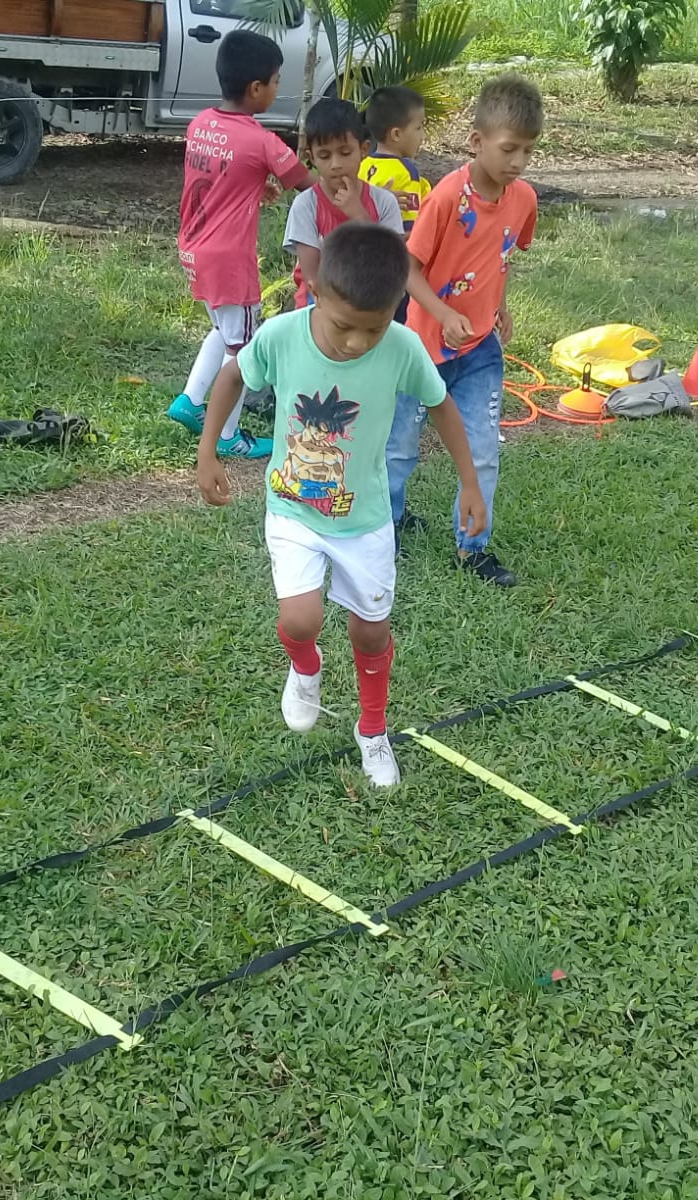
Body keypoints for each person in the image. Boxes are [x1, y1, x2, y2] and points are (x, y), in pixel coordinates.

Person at [196, 223, 486, 787]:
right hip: (293, 511)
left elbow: (442, 405)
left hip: (365, 521)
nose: (356, 343)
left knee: (371, 633)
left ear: (395, 310)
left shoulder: (402, 348)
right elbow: (232, 377)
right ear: (314, 290)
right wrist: (209, 450)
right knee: (299, 620)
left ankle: (372, 729)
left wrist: (469, 482)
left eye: (373, 329)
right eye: (343, 326)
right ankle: (306, 667)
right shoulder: (281, 336)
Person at [386, 75, 542, 588]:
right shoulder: (448, 198)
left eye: (528, 150)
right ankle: (387, 524)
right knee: (400, 447)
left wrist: (501, 305)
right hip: (423, 350)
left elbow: (502, 255)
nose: (518, 161)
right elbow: (408, 270)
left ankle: (471, 548)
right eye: (509, 148)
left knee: (482, 452)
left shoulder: (524, 199)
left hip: (480, 350)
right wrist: (443, 314)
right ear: (477, 141)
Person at [169, 30, 311, 459]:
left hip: (194, 248)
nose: (278, 88)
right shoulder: (262, 141)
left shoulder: (200, 124)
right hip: (230, 259)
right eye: (276, 81)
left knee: (223, 329)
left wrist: (254, 185)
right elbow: (308, 185)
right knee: (244, 349)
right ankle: (228, 434)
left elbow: (220, 172)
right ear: (255, 88)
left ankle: (190, 400)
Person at [284, 97, 405, 309]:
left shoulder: (384, 202)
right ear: (311, 157)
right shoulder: (306, 205)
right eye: (324, 156)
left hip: (371, 305)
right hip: (319, 305)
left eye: (345, 153)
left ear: (364, 150)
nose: (336, 164)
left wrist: (359, 215)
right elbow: (312, 277)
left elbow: (393, 266)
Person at [360, 86, 431, 236]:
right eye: (418, 128)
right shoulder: (405, 173)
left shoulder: (362, 166)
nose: (423, 136)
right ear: (396, 134)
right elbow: (409, 232)